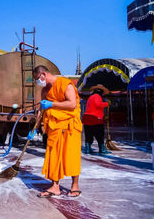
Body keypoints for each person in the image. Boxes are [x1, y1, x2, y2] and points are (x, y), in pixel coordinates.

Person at [33, 65, 83, 198]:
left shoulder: (65, 84)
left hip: (70, 126)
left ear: (43, 74)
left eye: (37, 79)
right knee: (53, 156)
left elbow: (72, 104)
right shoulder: (45, 91)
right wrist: (35, 128)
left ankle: (75, 186)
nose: (38, 82)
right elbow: (41, 110)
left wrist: (52, 104)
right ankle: (55, 186)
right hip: (55, 128)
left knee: (71, 156)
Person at [82, 84, 111, 154]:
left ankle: (87, 149)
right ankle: (102, 149)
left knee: (89, 135)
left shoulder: (90, 97)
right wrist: (106, 104)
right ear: (101, 92)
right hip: (95, 118)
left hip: (87, 118)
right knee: (99, 134)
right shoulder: (97, 96)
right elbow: (98, 105)